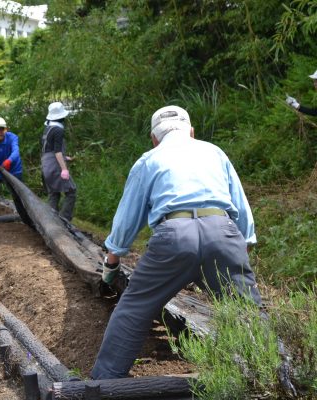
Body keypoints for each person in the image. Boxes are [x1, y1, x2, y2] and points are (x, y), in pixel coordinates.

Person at [91, 105, 263, 380]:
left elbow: (127, 217)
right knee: (247, 312)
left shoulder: (149, 160)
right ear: (191, 132)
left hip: (174, 237)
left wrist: (112, 262)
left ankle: (104, 383)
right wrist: (239, 252)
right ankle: (271, 377)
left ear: (154, 138)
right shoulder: (215, 152)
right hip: (223, 232)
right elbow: (241, 210)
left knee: (134, 309)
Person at [41, 101, 77, 221]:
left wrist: (65, 158)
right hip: (54, 166)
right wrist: (64, 169)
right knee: (71, 191)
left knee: (54, 193)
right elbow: (57, 152)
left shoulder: (48, 128)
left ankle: (51, 220)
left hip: (46, 165)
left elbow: (48, 149)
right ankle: (64, 219)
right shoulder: (58, 130)